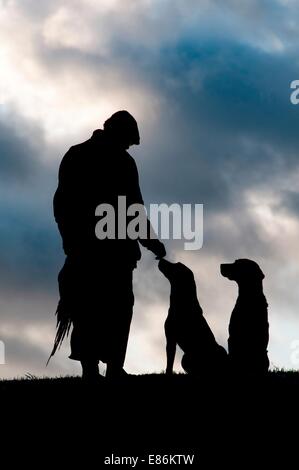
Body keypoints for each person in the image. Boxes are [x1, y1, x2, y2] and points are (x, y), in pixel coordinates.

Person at [49, 110, 166, 380]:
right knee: (115, 307)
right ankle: (110, 367)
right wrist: (152, 242)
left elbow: (61, 204)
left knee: (88, 308)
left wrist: (70, 240)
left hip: (88, 249)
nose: (129, 147)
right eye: (128, 141)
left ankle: (93, 368)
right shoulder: (122, 162)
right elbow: (133, 209)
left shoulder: (75, 154)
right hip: (111, 252)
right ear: (119, 133)